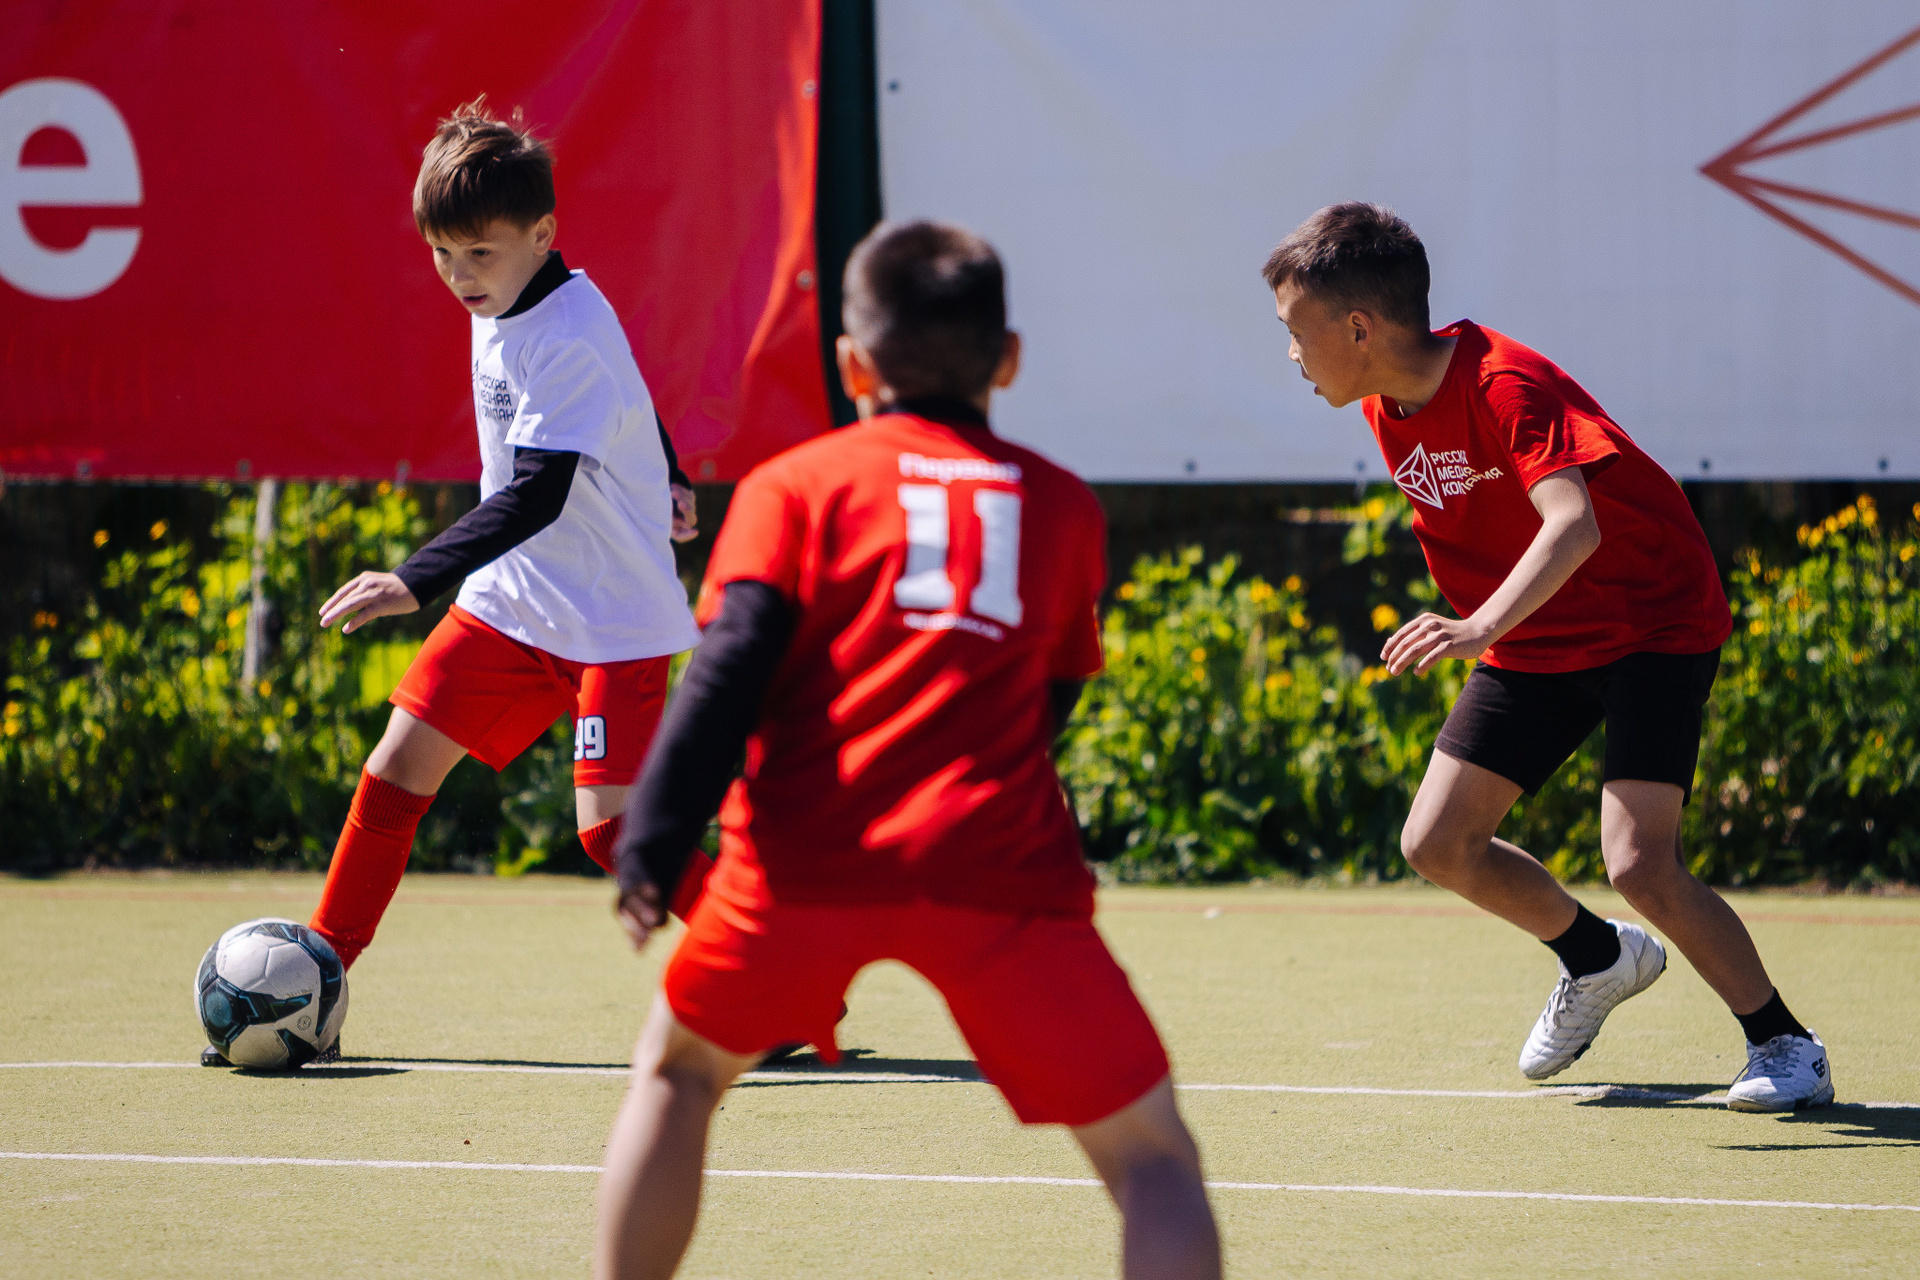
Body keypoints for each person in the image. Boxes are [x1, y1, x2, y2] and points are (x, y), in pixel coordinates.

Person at [595, 221, 1222, 1280]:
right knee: (1154, 1157)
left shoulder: (794, 486)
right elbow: (1051, 694)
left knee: (678, 1075)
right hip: (999, 868)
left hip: (802, 863)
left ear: (853, 365)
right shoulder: (1062, 506)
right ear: (1008, 359)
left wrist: (654, 842)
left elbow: (727, 672)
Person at [1263, 202, 1832, 1113]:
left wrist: (1476, 625)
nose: (1291, 353)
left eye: (1297, 330)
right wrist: (1496, 625)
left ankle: (1785, 1043)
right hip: (1538, 636)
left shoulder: (1504, 383)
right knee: (1436, 843)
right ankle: (1598, 957)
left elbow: (1575, 523)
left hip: (1651, 621)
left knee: (1639, 863)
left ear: (1359, 329)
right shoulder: (1382, 405)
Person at [201, 101, 709, 1067]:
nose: (460, 275)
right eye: (442, 254)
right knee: (394, 769)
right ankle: (317, 981)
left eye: (479, 253)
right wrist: (672, 474)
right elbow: (632, 399)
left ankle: (776, 978)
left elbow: (537, 493)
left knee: (614, 838)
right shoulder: (512, 297)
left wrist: (413, 579)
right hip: (513, 604)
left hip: (614, 621)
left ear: (542, 235)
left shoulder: (567, 328)